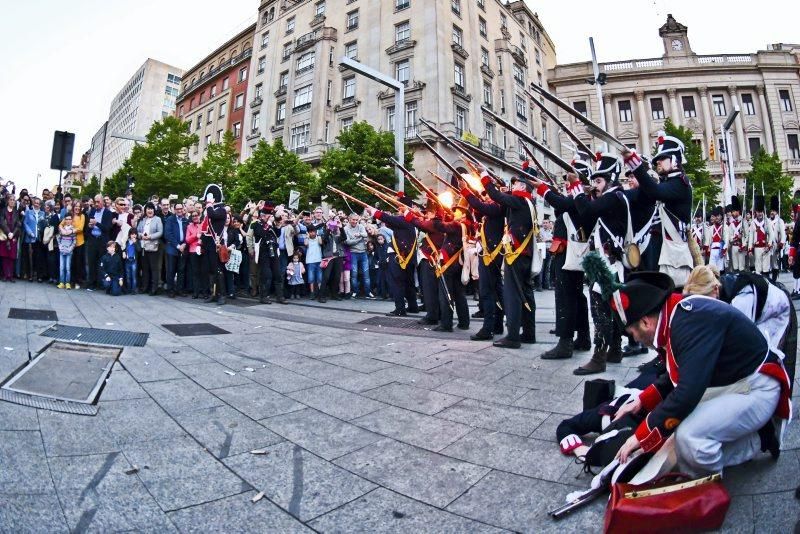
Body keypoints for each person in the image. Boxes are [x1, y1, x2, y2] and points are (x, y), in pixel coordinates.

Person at [604, 271, 791, 477]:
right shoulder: (678, 315)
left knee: (689, 437)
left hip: (756, 388)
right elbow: (680, 371)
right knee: (679, 432)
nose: (636, 339)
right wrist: (642, 400)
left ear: (646, 322)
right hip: (739, 382)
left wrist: (639, 437)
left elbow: (687, 392)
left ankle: (709, 480)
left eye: (632, 333)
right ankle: (757, 436)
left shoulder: (686, 322)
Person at [573, 154, 627, 372]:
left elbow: (586, 210)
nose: (595, 186)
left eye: (599, 181)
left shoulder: (614, 196)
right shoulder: (611, 197)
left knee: (600, 310)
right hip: (606, 261)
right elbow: (587, 217)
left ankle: (599, 356)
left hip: (610, 262)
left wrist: (576, 185)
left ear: (610, 180)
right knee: (607, 307)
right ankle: (614, 349)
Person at [535, 163, 592, 359]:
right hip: (569, 252)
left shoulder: (580, 198)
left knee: (565, 298)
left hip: (567, 252)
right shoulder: (579, 198)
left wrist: (543, 190)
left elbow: (563, 205)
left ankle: (565, 342)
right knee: (576, 297)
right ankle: (583, 337)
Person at [622, 134, 693, 286]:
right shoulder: (666, 183)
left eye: (662, 158)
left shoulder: (681, 183)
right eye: (656, 160)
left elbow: (655, 191)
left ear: (675, 160)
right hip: (661, 253)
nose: (657, 162)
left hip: (674, 255)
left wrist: (634, 163)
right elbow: (640, 194)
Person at [481, 166, 538, 348]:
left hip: (516, 254)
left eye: (516, 184)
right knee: (526, 294)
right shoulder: (528, 203)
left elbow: (496, 197)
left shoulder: (520, 200)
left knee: (512, 295)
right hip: (524, 254)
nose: (514, 186)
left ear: (523, 186)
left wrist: (484, 178)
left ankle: (513, 336)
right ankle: (529, 333)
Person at [365, 201, 419, 317]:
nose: (399, 212)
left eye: (401, 210)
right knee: (409, 283)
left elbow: (388, 219)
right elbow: (390, 222)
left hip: (399, 257)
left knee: (397, 283)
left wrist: (373, 211)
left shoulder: (405, 220)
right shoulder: (413, 221)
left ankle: (400, 309)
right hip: (409, 257)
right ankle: (413, 306)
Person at [200, 185, 228, 305]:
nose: (206, 201)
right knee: (210, 270)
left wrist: (210, 204)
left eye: (208, 198)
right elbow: (205, 228)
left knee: (218, 270)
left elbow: (212, 215)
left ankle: (222, 295)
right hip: (208, 244)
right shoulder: (209, 210)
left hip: (217, 244)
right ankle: (214, 294)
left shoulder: (221, 210)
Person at [253, 206, 287, 304]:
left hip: (273, 251)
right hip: (263, 252)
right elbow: (261, 234)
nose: (270, 217)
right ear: (262, 216)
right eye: (268, 215)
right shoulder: (256, 224)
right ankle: (263, 297)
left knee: (278, 274)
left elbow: (277, 234)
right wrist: (268, 224)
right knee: (266, 275)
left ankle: (280, 296)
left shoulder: (270, 224)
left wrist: (278, 225)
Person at [86, 194, 114, 290]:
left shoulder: (108, 213)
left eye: (98, 202)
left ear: (103, 202)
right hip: (93, 240)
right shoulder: (92, 211)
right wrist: (89, 227)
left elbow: (107, 228)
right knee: (91, 262)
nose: (96, 204)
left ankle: (100, 283)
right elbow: (87, 227)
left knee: (101, 263)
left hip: (102, 241)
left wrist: (96, 223)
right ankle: (91, 283)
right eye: (95, 202)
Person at [137, 202, 163, 295]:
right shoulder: (142, 220)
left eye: (151, 208)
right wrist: (141, 236)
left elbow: (160, 232)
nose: (150, 210)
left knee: (154, 268)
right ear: (145, 210)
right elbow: (138, 231)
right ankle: (145, 287)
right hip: (144, 247)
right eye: (148, 209)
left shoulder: (158, 219)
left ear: (154, 210)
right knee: (145, 268)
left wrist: (150, 236)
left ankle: (154, 288)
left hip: (153, 247)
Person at [345, 213, 372, 299]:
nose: (355, 222)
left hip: (363, 252)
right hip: (353, 253)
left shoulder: (360, 226)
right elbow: (348, 242)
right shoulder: (346, 228)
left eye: (356, 220)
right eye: (353, 220)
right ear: (349, 219)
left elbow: (365, 235)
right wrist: (359, 238)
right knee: (354, 274)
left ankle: (368, 292)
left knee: (366, 274)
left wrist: (359, 235)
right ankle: (355, 291)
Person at [164, 203, 189, 297]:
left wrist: (185, 244)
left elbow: (188, 234)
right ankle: (170, 290)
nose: (179, 210)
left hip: (183, 248)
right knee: (171, 270)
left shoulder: (186, 220)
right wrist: (178, 246)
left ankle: (180, 290)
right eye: (177, 209)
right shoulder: (170, 219)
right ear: (174, 210)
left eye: (181, 208)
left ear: (183, 209)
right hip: (172, 248)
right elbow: (168, 234)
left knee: (181, 270)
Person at [22, 196, 45, 281]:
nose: (36, 204)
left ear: (40, 205)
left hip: (39, 238)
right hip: (30, 238)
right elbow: (25, 223)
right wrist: (30, 232)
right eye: (35, 203)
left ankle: (39, 276)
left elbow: (44, 225)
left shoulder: (43, 213)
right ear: (33, 203)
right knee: (29, 258)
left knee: (39, 257)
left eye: (38, 203)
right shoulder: (29, 212)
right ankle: (30, 275)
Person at [748, 196, 772, 276]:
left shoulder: (767, 221)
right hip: (757, 248)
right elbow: (751, 236)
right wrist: (750, 249)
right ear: (755, 212)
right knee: (758, 269)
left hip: (766, 248)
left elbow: (771, 235)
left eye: (761, 211)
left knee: (766, 268)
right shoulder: (752, 222)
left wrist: (769, 245)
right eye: (758, 212)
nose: (760, 213)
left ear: (763, 212)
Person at [0, 194, 22, 281]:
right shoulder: (3, 210)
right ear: (8, 201)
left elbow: (18, 224)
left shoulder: (16, 212)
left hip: (13, 236)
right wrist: (8, 232)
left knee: (12, 256)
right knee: (4, 256)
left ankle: (11, 275)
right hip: (4, 236)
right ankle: (5, 275)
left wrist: (13, 234)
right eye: (11, 199)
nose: (12, 201)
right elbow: (1, 222)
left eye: (14, 200)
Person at [185, 211, 205, 299]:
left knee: (203, 272)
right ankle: (196, 292)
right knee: (195, 272)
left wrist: (201, 239)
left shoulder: (203, 225)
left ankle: (204, 291)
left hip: (202, 250)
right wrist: (196, 236)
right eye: (193, 216)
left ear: (199, 216)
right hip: (193, 251)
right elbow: (187, 240)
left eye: (196, 215)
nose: (194, 217)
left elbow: (206, 237)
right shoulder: (189, 226)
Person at [768, 195, 786, 282]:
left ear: (776, 212)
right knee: (767, 265)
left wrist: (781, 244)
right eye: (771, 211)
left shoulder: (780, 221)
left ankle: (773, 281)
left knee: (775, 265)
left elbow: (783, 235)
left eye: (774, 211)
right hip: (767, 245)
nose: (772, 212)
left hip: (775, 245)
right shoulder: (767, 221)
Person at [56, 213, 76, 289]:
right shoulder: (62, 229)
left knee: (67, 267)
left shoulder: (73, 229)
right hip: (62, 250)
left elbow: (74, 241)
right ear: (64, 220)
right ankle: (62, 282)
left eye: (69, 219)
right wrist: (60, 246)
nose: (68, 221)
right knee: (61, 267)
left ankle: (67, 283)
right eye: (66, 219)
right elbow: (58, 238)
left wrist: (71, 248)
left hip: (69, 251)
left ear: (71, 220)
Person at [69, 202, 86, 289]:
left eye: (79, 206)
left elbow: (81, 228)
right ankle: (70, 281)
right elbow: (64, 224)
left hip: (79, 242)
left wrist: (71, 230)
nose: (77, 208)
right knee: (71, 263)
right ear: (73, 207)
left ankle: (77, 282)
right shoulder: (70, 215)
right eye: (76, 206)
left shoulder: (82, 216)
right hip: (70, 242)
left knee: (78, 263)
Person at [727, 196, 746, 272]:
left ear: (738, 211)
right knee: (735, 267)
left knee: (741, 267)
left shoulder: (743, 222)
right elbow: (730, 236)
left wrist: (743, 244)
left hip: (741, 246)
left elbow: (747, 235)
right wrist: (735, 238)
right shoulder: (732, 224)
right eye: (732, 211)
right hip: (734, 246)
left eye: (734, 211)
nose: (733, 213)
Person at [305, 226, 322, 299]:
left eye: (314, 232)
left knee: (319, 278)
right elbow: (305, 244)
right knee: (311, 278)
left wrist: (318, 235)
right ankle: (312, 293)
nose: (312, 233)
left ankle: (320, 292)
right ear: (308, 232)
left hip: (318, 260)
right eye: (311, 232)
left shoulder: (318, 238)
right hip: (310, 261)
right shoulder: (307, 239)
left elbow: (320, 243)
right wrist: (307, 237)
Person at [123, 228, 138, 294]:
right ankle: (129, 289)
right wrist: (123, 252)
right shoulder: (127, 242)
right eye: (132, 234)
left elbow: (139, 249)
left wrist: (135, 243)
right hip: (127, 260)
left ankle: (133, 289)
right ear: (129, 235)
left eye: (135, 234)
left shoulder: (137, 242)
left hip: (134, 260)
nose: (133, 235)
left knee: (134, 276)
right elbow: (124, 248)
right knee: (128, 275)